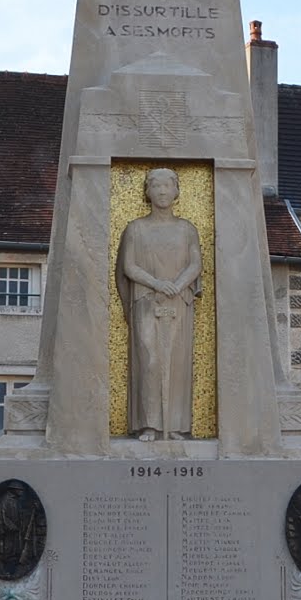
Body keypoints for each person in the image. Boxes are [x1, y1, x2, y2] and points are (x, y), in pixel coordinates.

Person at [116, 168, 202, 440]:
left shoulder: (187, 229)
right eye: (156, 186)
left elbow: (195, 264)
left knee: (177, 362)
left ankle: (175, 425)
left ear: (177, 191)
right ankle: (149, 424)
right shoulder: (136, 229)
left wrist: (176, 284)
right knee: (150, 361)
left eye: (167, 186)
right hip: (146, 300)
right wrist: (156, 283)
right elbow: (128, 266)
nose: (162, 191)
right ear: (147, 192)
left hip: (179, 302)